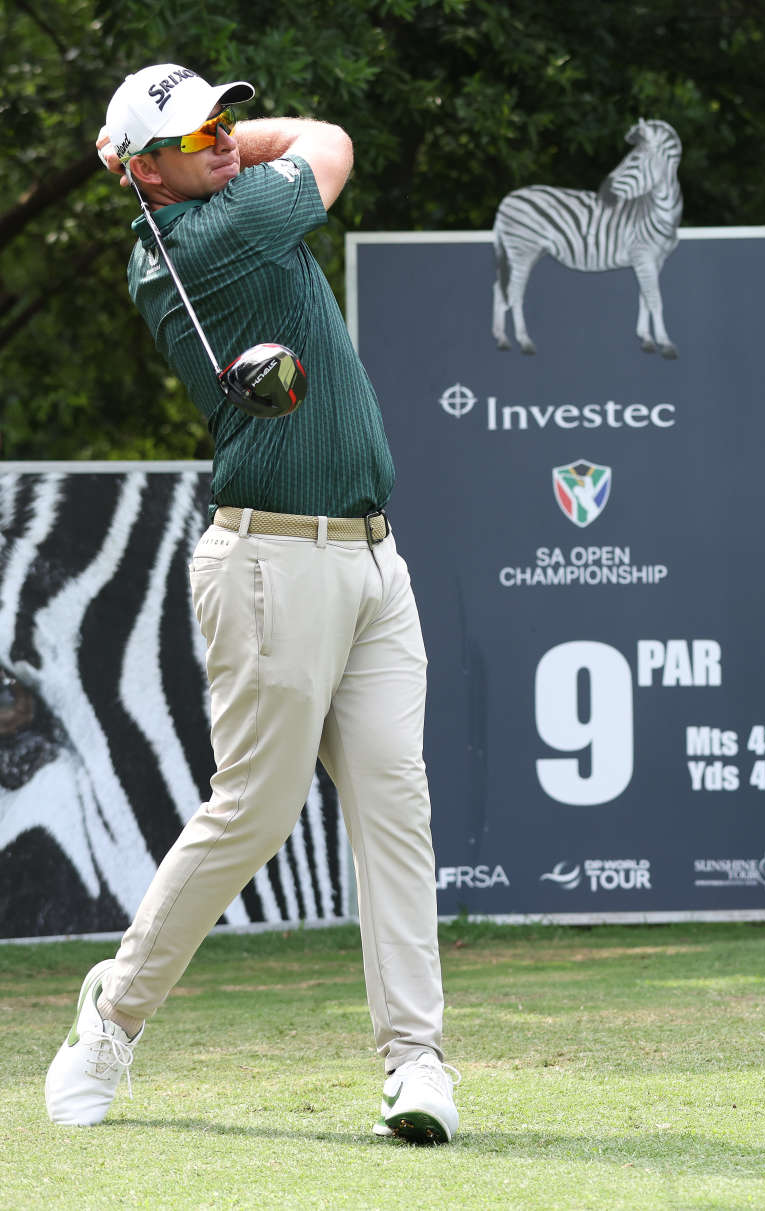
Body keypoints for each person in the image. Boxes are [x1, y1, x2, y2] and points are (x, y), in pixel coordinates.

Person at [44, 63, 458, 1143]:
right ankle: (112, 1017)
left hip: (373, 560)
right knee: (256, 812)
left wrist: (189, 137)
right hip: (270, 562)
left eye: (226, 117)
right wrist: (224, 146)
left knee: (394, 808)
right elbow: (331, 139)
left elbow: (280, 146)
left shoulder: (210, 202)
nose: (224, 139)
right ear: (146, 172)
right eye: (195, 134)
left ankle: (416, 1064)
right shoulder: (212, 236)